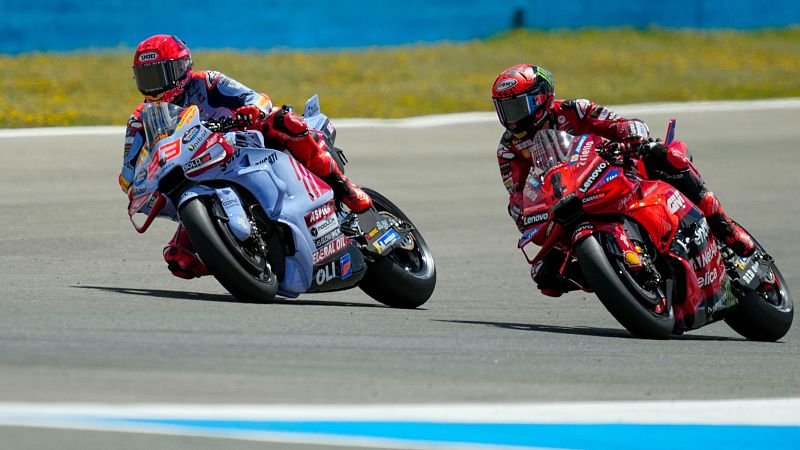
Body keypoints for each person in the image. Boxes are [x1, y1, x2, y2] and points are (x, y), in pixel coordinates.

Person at [119, 34, 372, 279]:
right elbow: (128, 173)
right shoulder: (140, 119)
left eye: (161, 74)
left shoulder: (207, 81)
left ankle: (343, 187)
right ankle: (240, 260)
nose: (155, 84)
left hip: (241, 143)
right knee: (180, 260)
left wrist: (252, 110)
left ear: (182, 67)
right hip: (195, 171)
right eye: (147, 76)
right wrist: (136, 186)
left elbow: (256, 98)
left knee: (284, 120)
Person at [491, 64, 754, 296]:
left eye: (518, 107)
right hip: (567, 202)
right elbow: (518, 194)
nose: (512, 117)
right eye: (505, 109)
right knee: (544, 275)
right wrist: (525, 215)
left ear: (542, 98)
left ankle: (724, 226)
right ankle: (613, 276)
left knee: (665, 156)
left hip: (611, 170)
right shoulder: (508, 149)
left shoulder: (574, 109)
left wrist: (632, 137)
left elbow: (619, 123)